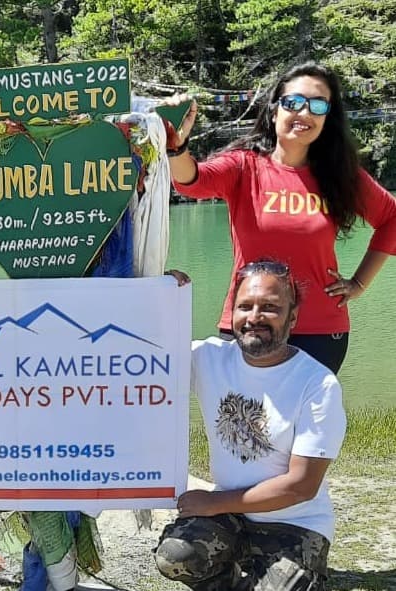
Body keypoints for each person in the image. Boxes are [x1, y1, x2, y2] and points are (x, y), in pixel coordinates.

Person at [165, 62, 396, 373]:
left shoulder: (340, 176)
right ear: (274, 111)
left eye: (317, 105)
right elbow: (192, 181)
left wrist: (358, 283)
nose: (304, 112)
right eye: (293, 103)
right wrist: (177, 148)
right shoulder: (244, 166)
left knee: (307, 421)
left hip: (319, 331)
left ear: (327, 118)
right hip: (250, 323)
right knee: (241, 419)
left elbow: (391, 218)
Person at [154, 259, 346, 590]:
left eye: (270, 308)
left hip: (295, 523)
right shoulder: (208, 357)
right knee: (175, 555)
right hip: (230, 518)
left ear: (293, 317)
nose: (254, 317)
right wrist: (159, 297)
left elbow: (300, 486)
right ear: (232, 314)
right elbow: (146, 355)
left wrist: (213, 502)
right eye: (245, 306)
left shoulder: (317, 384)